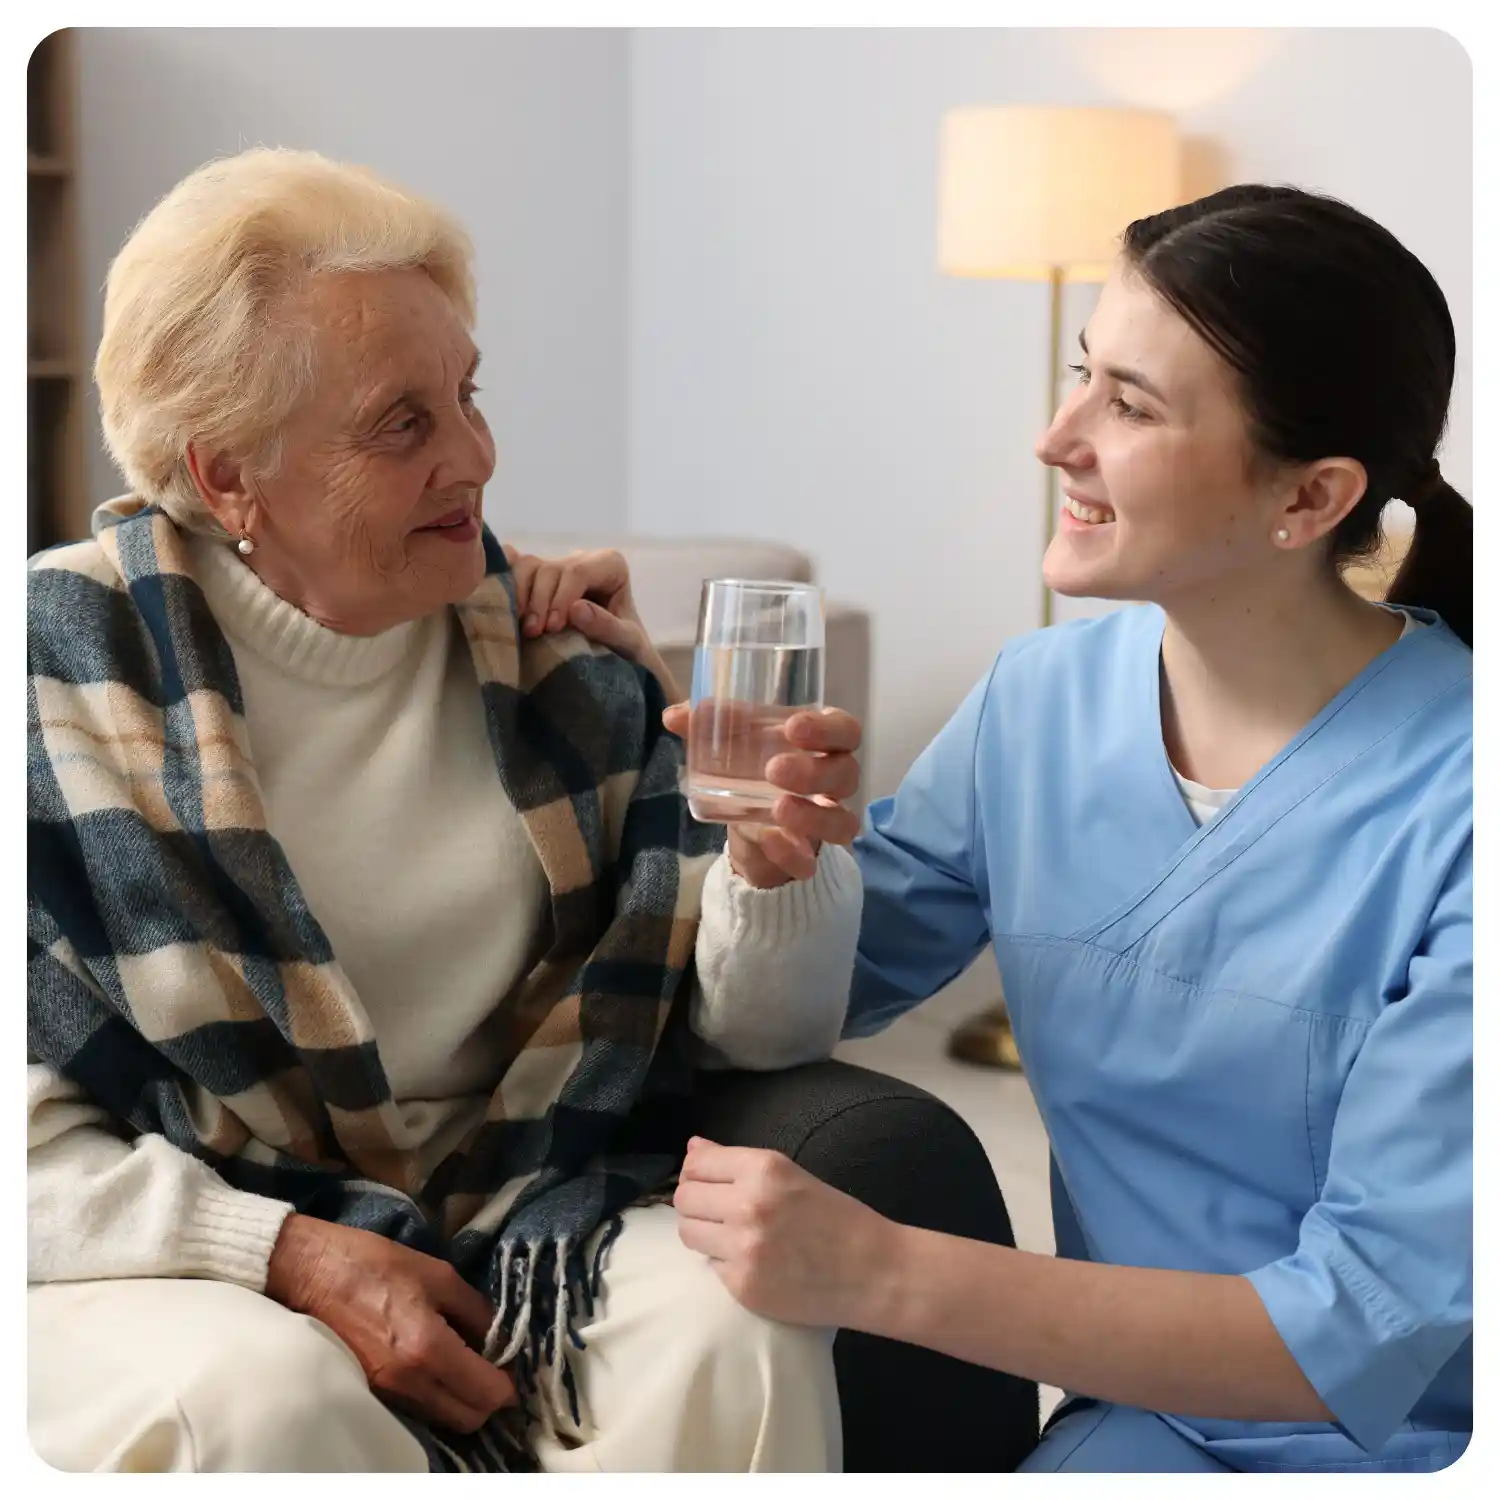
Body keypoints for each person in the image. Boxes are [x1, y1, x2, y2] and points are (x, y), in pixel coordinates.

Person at [515, 184, 1473, 1473]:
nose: (1055, 436)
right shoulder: (1041, 705)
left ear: (1309, 499)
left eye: (1128, 406)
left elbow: (1359, 1330)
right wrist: (671, 741)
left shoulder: (1463, 799)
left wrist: (884, 1271)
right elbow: (799, 1001)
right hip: (1139, 1429)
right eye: (1083, 375)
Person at [26, 148, 871, 1474]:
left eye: (468, 396)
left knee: (737, 1328)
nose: (476, 456)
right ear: (230, 474)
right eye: (402, 423)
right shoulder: (55, 685)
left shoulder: (564, 663)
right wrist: (290, 1252)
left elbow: (771, 1032)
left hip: (518, 1215)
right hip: (161, 1239)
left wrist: (776, 865)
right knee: (271, 1397)